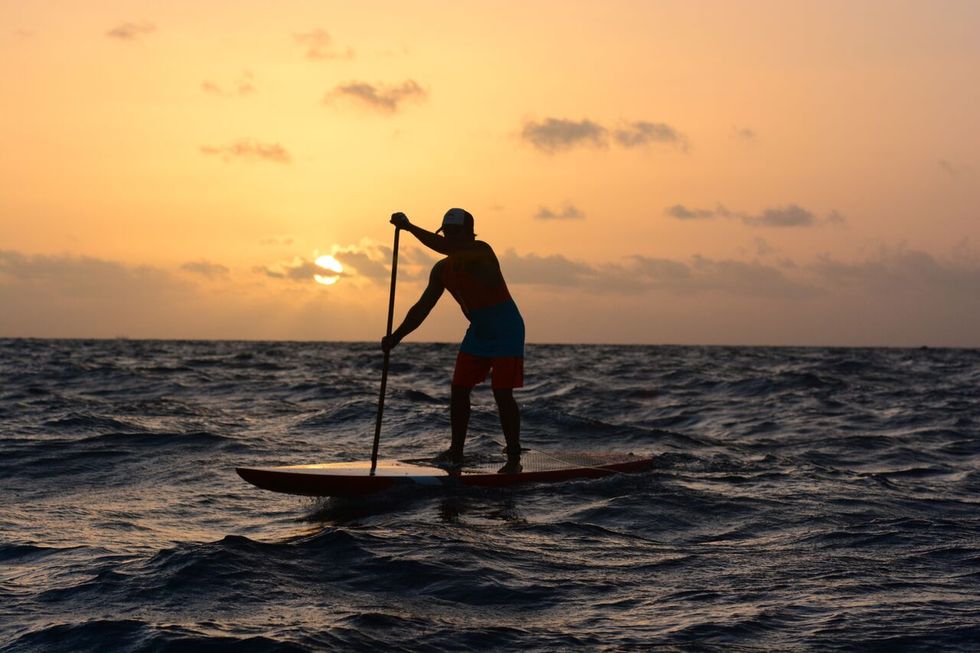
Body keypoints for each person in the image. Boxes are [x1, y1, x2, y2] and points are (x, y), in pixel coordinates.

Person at [381, 208, 525, 472]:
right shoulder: (441, 270)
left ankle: (513, 455)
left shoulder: (482, 251)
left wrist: (410, 227)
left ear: (470, 233)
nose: (450, 237)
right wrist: (396, 337)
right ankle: (456, 452)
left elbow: (444, 247)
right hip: (479, 330)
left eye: (456, 232)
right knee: (459, 389)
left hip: (507, 329)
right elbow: (421, 308)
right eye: (447, 232)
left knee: (501, 392)